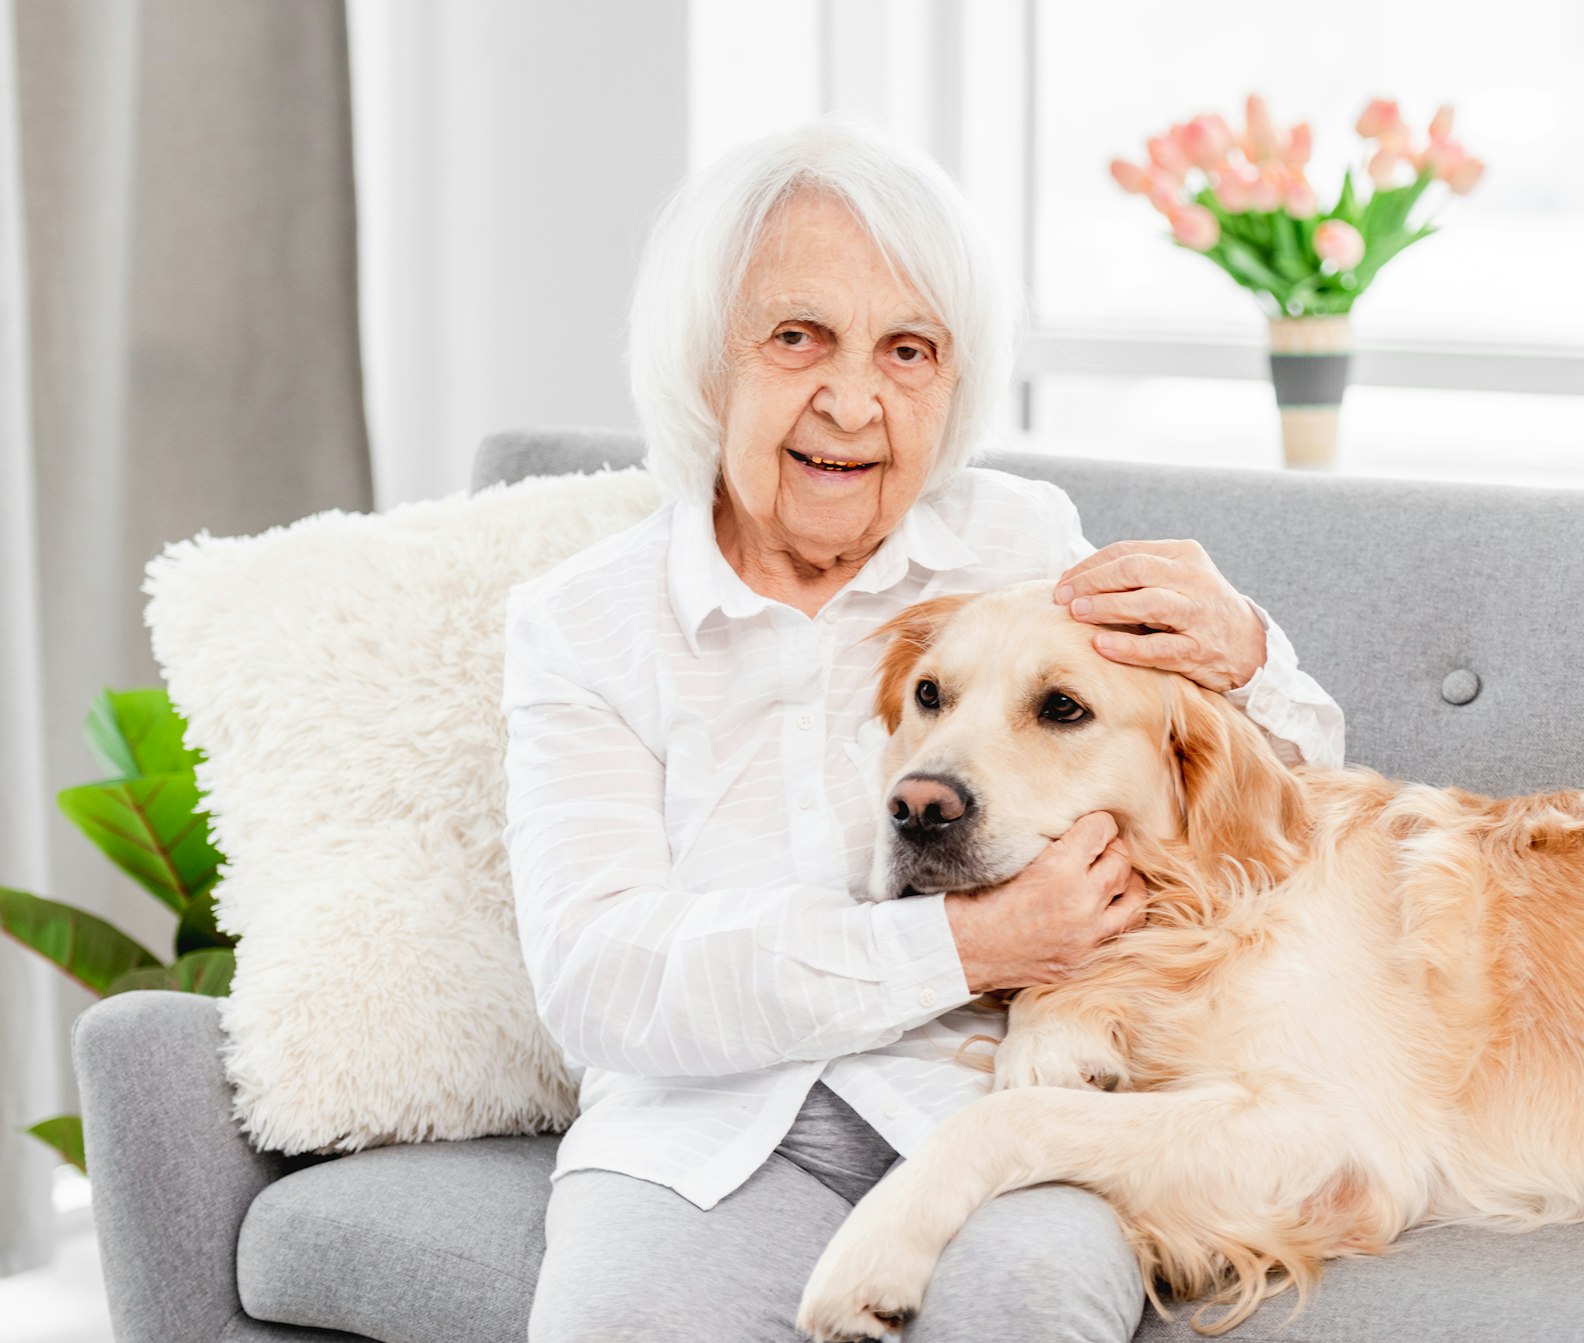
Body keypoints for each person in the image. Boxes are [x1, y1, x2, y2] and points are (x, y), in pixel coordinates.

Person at [501, 117, 1345, 1342]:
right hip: (695, 1126)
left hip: (992, 1094)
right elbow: (601, 974)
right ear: (703, 362)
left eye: (908, 351)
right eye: (797, 337)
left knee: (1031, 1296)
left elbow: (1270, 804)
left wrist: (1248, 652)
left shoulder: (1020, 543)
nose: (852, 402)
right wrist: (965, 943)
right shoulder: (581, 623)